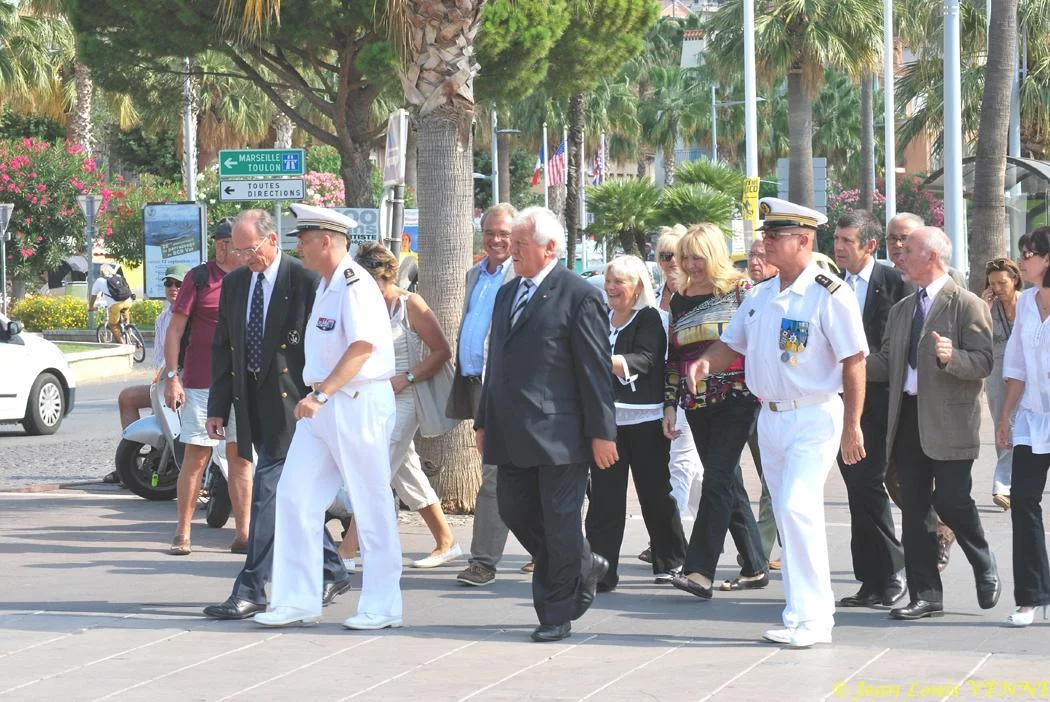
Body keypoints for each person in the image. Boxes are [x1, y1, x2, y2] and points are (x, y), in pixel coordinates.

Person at [689, 197, 868, 649]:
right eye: (766, 235)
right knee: (790, 518)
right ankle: (804, 611)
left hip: (813, 414)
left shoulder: (829, 293)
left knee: (796, 507)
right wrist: (704, 364)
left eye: (775, 236)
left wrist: (853, 425)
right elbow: (731, 344)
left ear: (804, 241)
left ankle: (812, 621)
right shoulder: (761, 294)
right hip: (769, 418)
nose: (765, 243)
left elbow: (854, 361)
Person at [254, 203, 400, 631]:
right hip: (323, 405)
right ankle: (296, 599)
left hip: (355, 401)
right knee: (295, 496)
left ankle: (383, 605)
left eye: (302, 238)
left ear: (325, 241)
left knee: (371, 505)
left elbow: (363, 347)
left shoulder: (356, 285)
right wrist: (319, 395)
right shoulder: (326, 284)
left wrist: (321, 392)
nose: (297, 245)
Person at [474, 206, 617, 643]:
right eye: (511, 244)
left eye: (520, 245)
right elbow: (494, 362)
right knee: (513, 508)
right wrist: (482, 419)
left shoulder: (579, 294)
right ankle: (582, 562)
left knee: (560, 521)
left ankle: (556, 612)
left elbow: (593, 371)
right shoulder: (506, 292)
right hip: (510, 429)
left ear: (549, 248)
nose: (511, 252)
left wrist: (602, 433)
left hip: (561, 435)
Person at [202, 209, 352, 621]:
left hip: (296, 407)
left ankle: (251, 588)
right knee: (289, 498)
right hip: (252, 405)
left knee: (268, 496)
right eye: (238, 249)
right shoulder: (235, 284)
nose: (244, 257)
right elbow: (224, 349)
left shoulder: (304, 281)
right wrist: (218, 407)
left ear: (272, 241)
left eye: (251, 249)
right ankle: (333, 568)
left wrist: (321, 396)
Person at [867, 226, 999, 622]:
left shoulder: (967, 304)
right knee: (916, 507)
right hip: (906, 417)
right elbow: (886, 363)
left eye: (908, 251)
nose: (899, 257)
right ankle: (926, 595)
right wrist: (848, 361)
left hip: (949, 421)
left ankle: (982, 557)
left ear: (932, 257)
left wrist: (951, 357)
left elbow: (984, 362)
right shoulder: (902, 309)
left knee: (952, 499)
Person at [340, 242, 461, 569]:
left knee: (375, 469)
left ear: (386, 276)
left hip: (406, 396)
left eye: (371, 281)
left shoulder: (410, 304)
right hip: (372, 398)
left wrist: (406, 377)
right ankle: (446, 541)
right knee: (405, 471)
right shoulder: (363, 306)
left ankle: (347, 551)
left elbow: (441, 351)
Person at [663, 225, 768, 600]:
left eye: (698, 257)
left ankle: (699, 569)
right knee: (726, 480)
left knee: (718, 477)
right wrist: (670, 405)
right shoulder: (679, 299)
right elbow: (673, 359)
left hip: (738, 398)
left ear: (715, 256)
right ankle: (756, 565)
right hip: (696, 403)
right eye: (685, 257)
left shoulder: (741, 291)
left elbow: (757, 342)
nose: (691, 265)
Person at [585, 255, 687, 592]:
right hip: (606, 422)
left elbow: (645, 359)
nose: (611, 287)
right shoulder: (600, 318)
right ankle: (601, 571)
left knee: (655, 494)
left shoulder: (652, 318)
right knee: (603, 499)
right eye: (609, 280)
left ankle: (671, 560)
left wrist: (602, 359)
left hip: (645, 419)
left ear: (638, 286)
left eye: (619, 281)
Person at [831, 210, 909, 609]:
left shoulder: (893, 283)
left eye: (848, 241)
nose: (839, 247)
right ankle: (870, 580)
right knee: (856, 489)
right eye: (837, 239)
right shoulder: (829, 284)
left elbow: (893, 348)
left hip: (878, 404)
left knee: (869, 485)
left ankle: (893, 572)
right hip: (837, 404)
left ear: (870, 246)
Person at [447, 204, 526, 587]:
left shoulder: (523, 277)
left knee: (494, 476)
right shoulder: (474, 274)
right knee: (509, 472)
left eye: (504, 234)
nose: (496, 240)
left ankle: (483, 561)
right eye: (490, 233)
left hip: (510, 390)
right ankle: (548, 549)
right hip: (478, 386)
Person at [163, 220, 252, 556]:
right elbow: (175, 329)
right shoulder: (199, 278)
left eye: (229, 242)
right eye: (219, 242)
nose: (223, 248)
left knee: (240, 458)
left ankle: (244, 534)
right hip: (201, 381)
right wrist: (173, 376)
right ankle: (183, 532)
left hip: (242, 383)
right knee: (196, 455)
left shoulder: (253, 278)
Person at [885, 212, 956, 571]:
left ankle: (943, 536)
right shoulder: (882, 278)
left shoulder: (950, 288)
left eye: (905, 239)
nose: (897, 246)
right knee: (894, 476)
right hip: (887, 394)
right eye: (892, 239)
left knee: (944, 487)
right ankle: (919, 549)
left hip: (934, 404)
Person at [998, 227, 1050, 627]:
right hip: (1033, 421)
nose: (1023, 261)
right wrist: (1005, 418)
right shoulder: (1027, 303)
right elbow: (1015, 367)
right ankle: (1031, 596)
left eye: (1029, 254)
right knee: (1024, 503)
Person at [103, 264, 187, 485]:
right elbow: (160, 357)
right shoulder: (162, 318)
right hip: (167, 380)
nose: (173, 288)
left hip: (190, 384)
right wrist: (162, 381)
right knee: (128, 397)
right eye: (169, 283)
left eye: (179, 284)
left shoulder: (195, 315)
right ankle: (136, 465)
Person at [651, 226, 704, 526]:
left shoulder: (691, 295)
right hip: (661, 387)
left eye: (677, 256)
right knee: (692, 467)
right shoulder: (654, 294)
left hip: (689, 385)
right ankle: (717, 528)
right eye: (664, 255)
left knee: (680, 462)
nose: (671, 262)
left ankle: (667, 533)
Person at [744, 237, 781, 570]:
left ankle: (760, 548)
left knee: (771, 482)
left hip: (779, 404)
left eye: (761, 255)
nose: (755, 261)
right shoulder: (747, 296)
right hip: (747, 402)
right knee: (768, 477)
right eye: (750, 256)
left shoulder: (785, 295)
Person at [981, 257, 1022, 511]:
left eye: (1002, 282)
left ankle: (1007, 483)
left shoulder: (1030, 302)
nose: (997, 288)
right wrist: (982, 308)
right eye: (993, 283)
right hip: (996, 370)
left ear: (1015, 279)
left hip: (1025, 370)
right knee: (1002, 423)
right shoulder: (988, 305)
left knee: (1024, 424)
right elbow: (977, 336)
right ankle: (1004, 485)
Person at [89, 263, 134, 344]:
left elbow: (93, 296)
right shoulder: (119, 277)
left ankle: (123, 344)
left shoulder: (99, 281)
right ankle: (129, 332)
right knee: (125, 316)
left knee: (112, 325)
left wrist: (91, 307)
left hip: (116, 305)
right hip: (128, 301)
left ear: (101, 272)